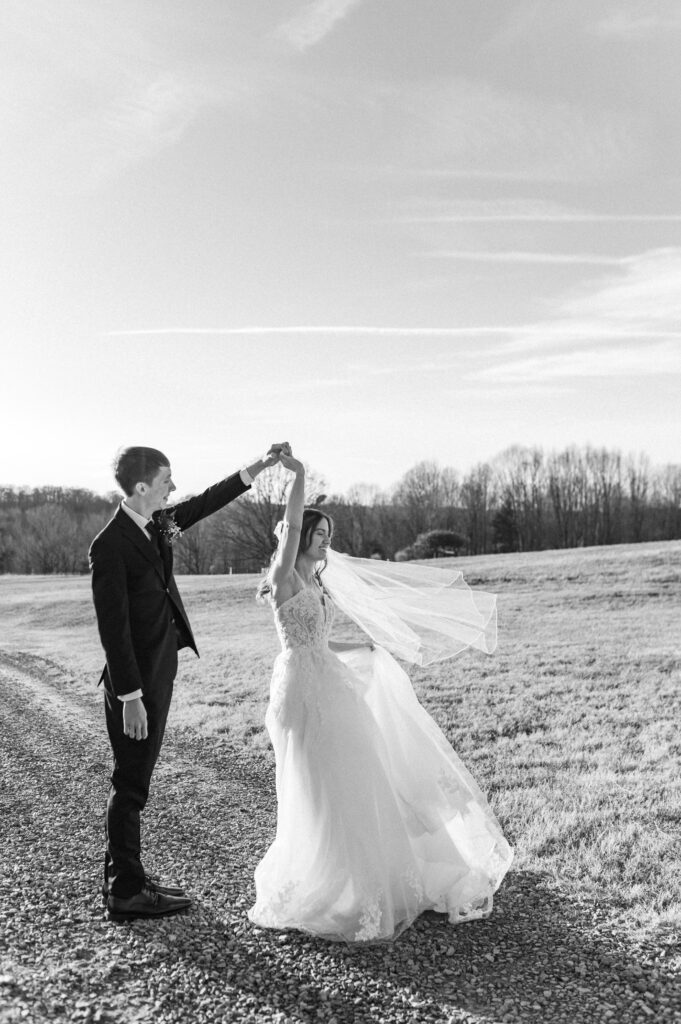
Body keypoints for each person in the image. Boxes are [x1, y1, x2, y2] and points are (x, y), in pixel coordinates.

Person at [248, 453, 513, 943]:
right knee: (317, 785)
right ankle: (325, 883)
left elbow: (321, 642)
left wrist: (365, 647)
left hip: (327, 681)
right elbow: (289, 527)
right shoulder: (285, 576)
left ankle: (365, 879)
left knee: (353, 776)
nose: (327, 542)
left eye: (329, 535)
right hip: (302, 693)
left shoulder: (315, 582)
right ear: (298, 537)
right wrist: (299, 476)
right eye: (319, 534)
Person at [90, 442, 289, 922]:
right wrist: (130, 697)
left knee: (136, 778)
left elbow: (205, 503)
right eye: (166, 481)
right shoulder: (110, 544)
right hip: (133, 686)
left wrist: (258, 467)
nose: (174, 488)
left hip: (159, 673)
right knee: (131, 783)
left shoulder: (157, 524)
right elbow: (112, 630)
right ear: (142, 487)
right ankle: (127, 892)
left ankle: (126, 875)